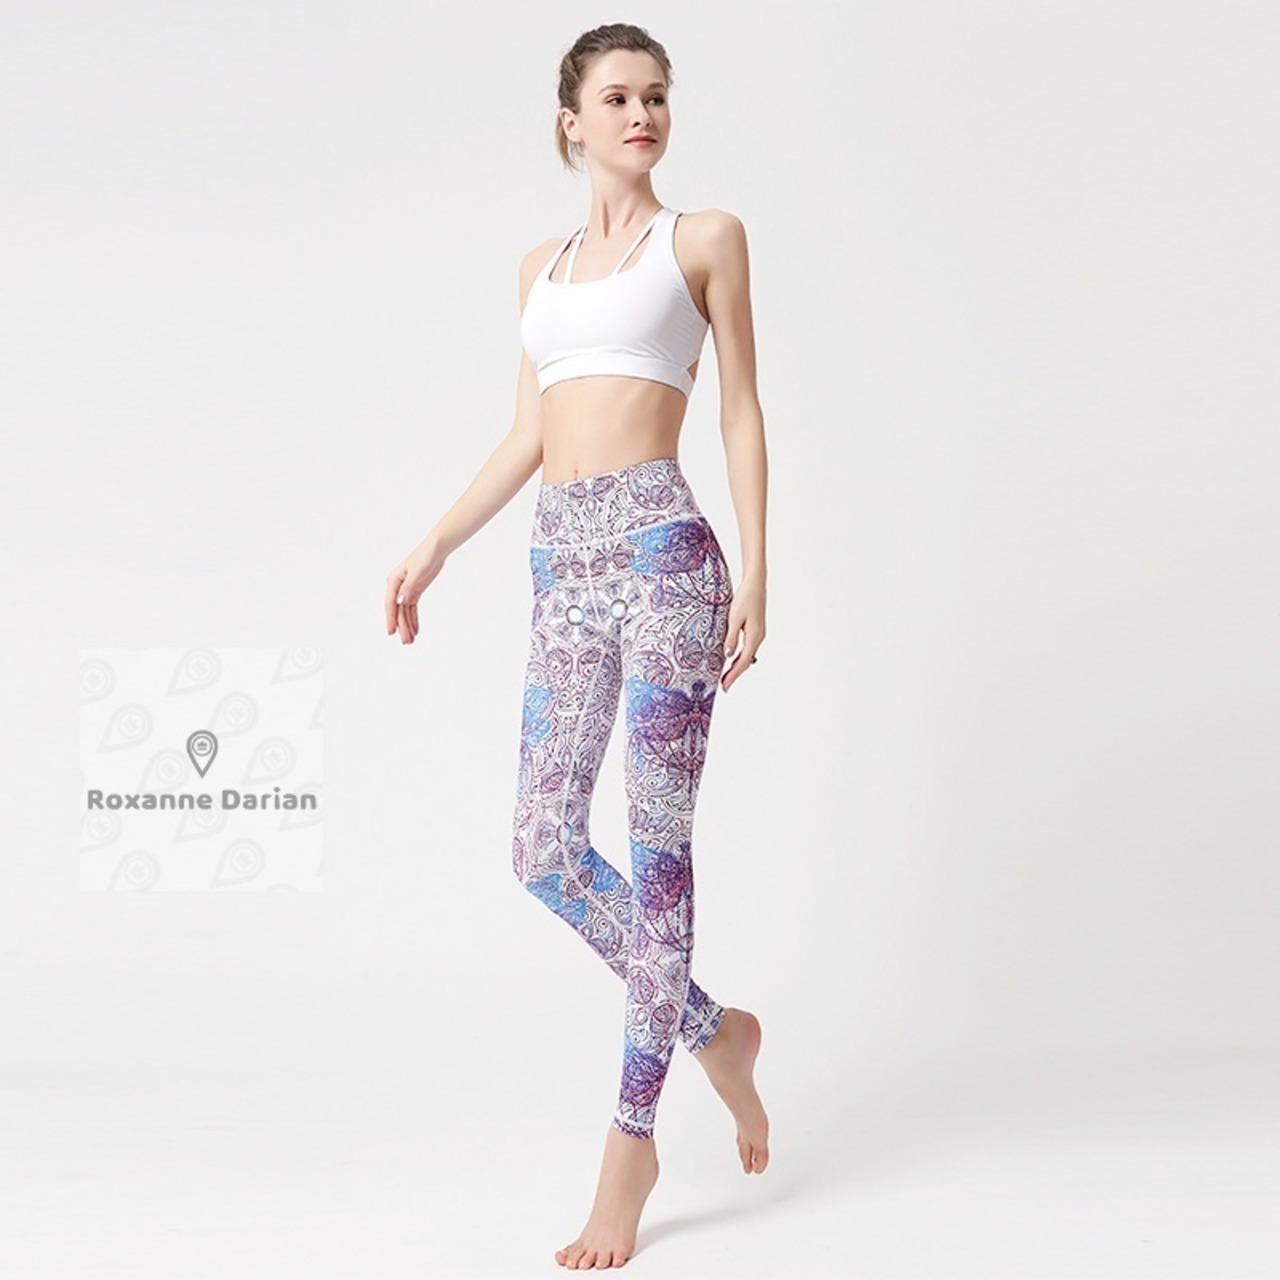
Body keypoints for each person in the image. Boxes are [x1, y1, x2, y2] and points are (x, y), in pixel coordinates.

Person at [384, 23, 769, 1270]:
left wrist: (759, 567)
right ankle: (714, 1029)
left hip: (663, 556)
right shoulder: (537, 271)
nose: (641, 114)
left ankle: (629, 1143)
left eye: (656, 96)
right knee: (541, 845)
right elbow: (528, 434)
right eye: (617, 98)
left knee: (657, 855)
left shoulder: (702, 238)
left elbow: (740, 405)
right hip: (561, 564)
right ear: (571, 121)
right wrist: (437, 541)